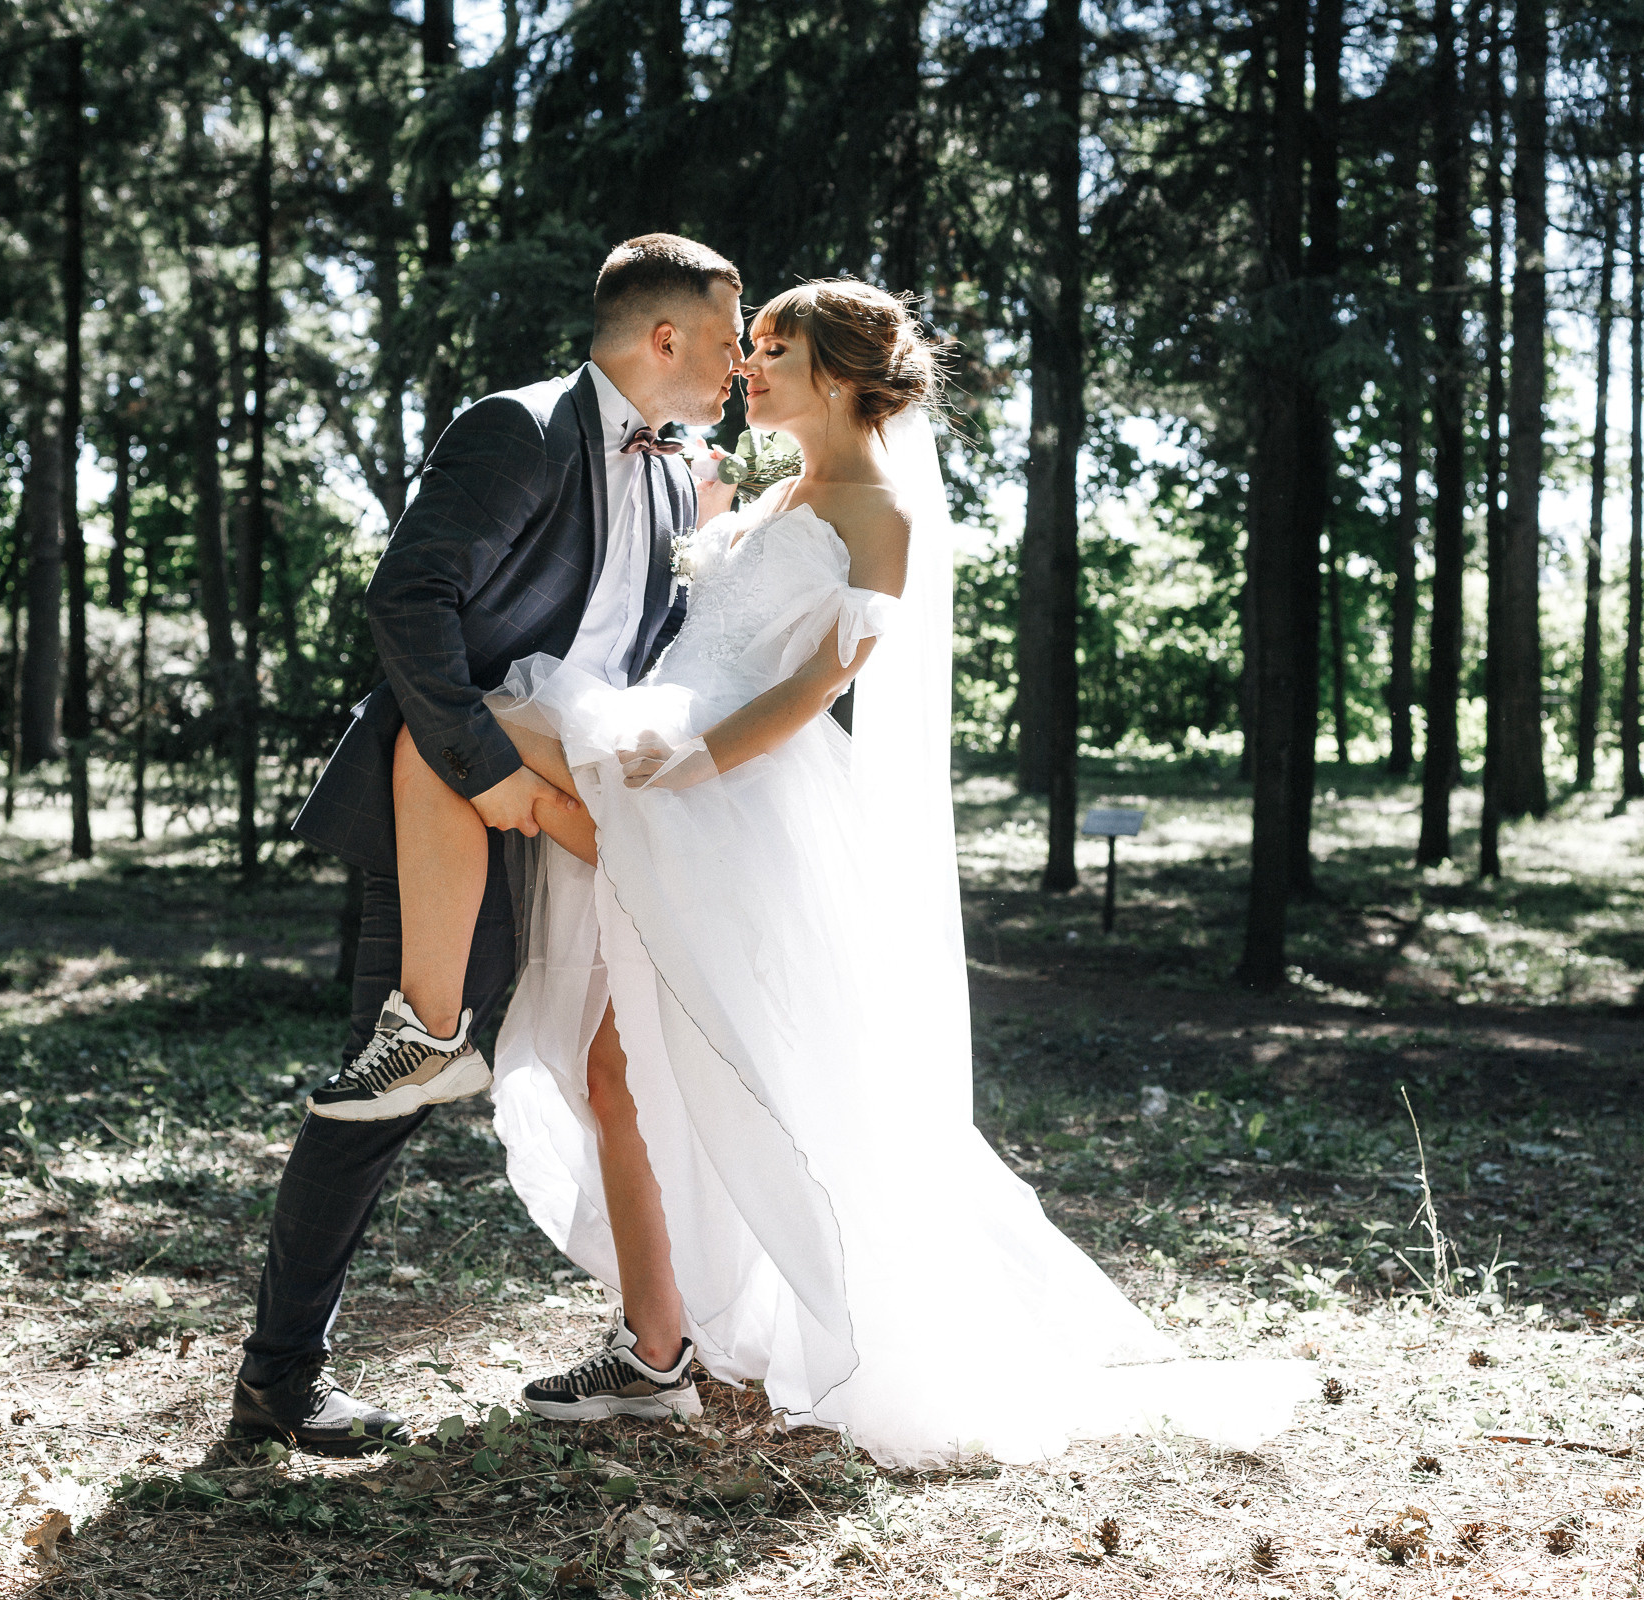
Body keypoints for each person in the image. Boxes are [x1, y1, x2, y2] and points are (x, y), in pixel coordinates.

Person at [425, 279, 1317, 1466]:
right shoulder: (767, 483)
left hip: (734, 794)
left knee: (706, 1054)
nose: (749, 366)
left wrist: (696, 759)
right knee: (619, 1049)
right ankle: (656, 1338)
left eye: (775, 349)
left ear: (840, 374)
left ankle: (676, 1329)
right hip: (668, 752)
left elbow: (812, 690)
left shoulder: (878, 509)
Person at [231, 234, 744, 1455]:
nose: (737, 365)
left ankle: (668, 1339)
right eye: (727, 341)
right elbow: (409, 603)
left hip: (599, 813)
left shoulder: (684, 474)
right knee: (391, 1080)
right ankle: (280, 1378)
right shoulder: (515, 428)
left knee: (648, 1076)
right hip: (462, 804)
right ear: (662, 338)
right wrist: (496, 778)